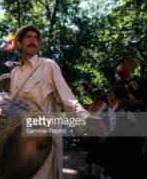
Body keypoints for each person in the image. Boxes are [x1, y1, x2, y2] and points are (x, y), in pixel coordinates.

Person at [10, 25, 107, 179]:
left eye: (36, 38)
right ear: (19, 43)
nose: (33, 40)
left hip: (44, 141)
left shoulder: (48, 65)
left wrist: (88, 119)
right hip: (21, 143)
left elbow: (67, 99)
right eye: (28, 37)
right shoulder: (14, 73)